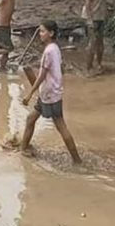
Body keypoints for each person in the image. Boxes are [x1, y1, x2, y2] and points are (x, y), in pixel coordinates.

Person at [18, 22, 82, 164]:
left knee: (61, 126)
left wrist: (29, 94)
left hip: (49, 95)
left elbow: (41, 76)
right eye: (40, 31)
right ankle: (24, 148)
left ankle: (77, 160)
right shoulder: (55, 48)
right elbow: (60, 69)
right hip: (51, 93)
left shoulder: (48, 52)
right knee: (30, 119)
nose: (40, 34)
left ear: (51, 33)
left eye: (42, 31)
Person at [83, 0, 115, 74]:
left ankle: (99, 64)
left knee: (100, 43)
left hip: (101, 15)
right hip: (92, 15)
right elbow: (88, 0)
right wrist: (90, 19)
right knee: (92, 43)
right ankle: (88, 69)